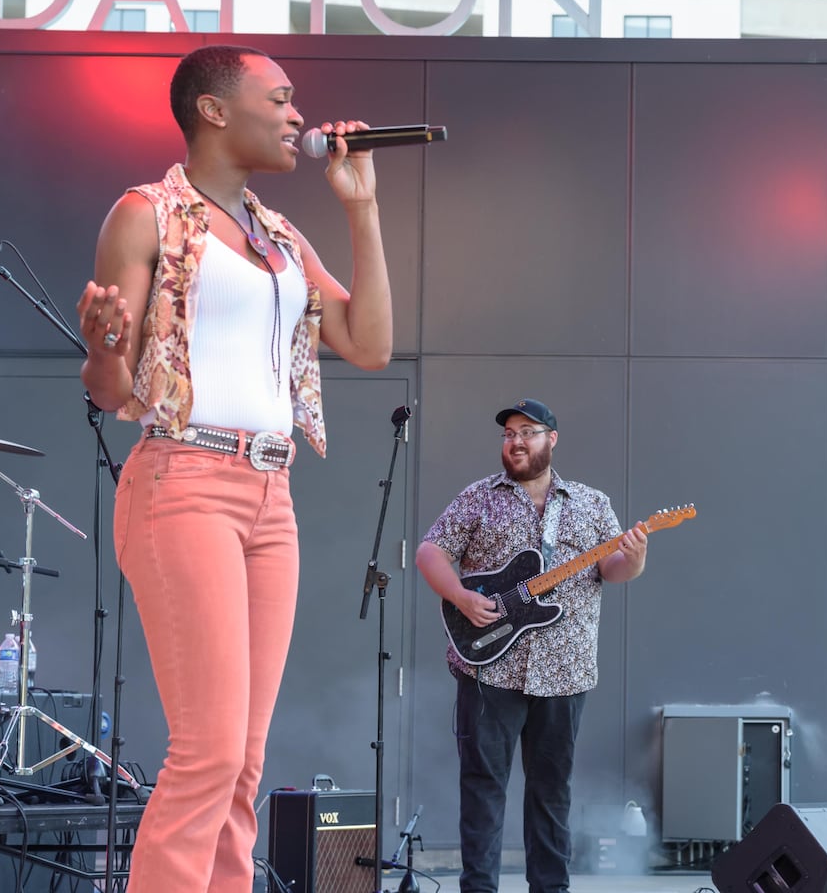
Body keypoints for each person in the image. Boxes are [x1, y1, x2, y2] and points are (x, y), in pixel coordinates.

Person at [75, 44, 392, 892]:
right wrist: (104, 343)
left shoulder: (281, 237)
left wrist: (361, 209)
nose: (299, 117)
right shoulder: (146, 213)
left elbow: (368, 343)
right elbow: (111, 390)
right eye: (281, 99)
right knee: (208, 751)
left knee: (244, 760)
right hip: (183, 482)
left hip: (270, 494)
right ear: (215, 111)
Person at [415, 398, 647, 893]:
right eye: (508, 433)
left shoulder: (591, 503)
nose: (515, 441)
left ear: (551, 439)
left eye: (527, 432)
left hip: (564, 671)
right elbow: (430, 550)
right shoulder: (479, 497)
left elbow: (613, 570)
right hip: (487, 667)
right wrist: (459, 595)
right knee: (483, 788)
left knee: (551, 793)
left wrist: (635, 557)